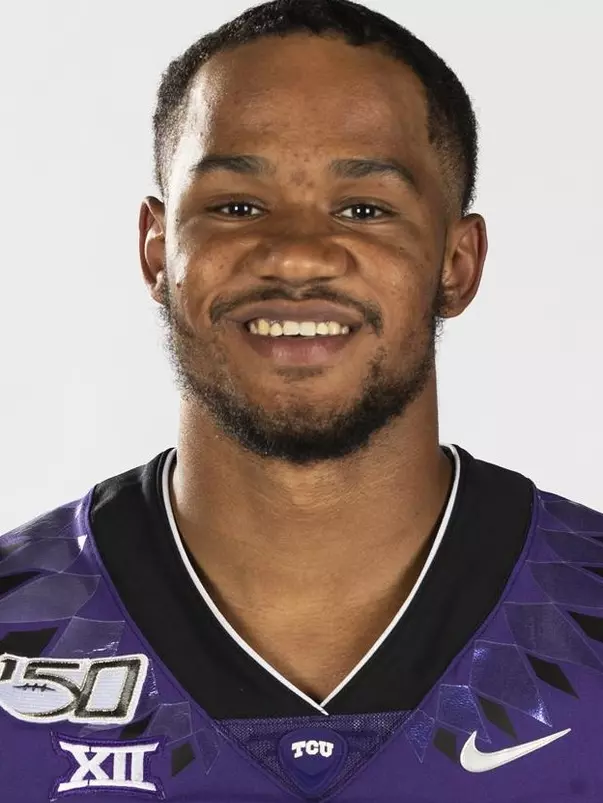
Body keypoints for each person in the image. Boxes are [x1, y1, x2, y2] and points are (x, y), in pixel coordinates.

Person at [0, 0, 599, 800]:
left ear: (456, 263)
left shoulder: (584, 610)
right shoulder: (18, 623)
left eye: (365, 209)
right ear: (157, 250)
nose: (293, 256)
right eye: (235, 207)